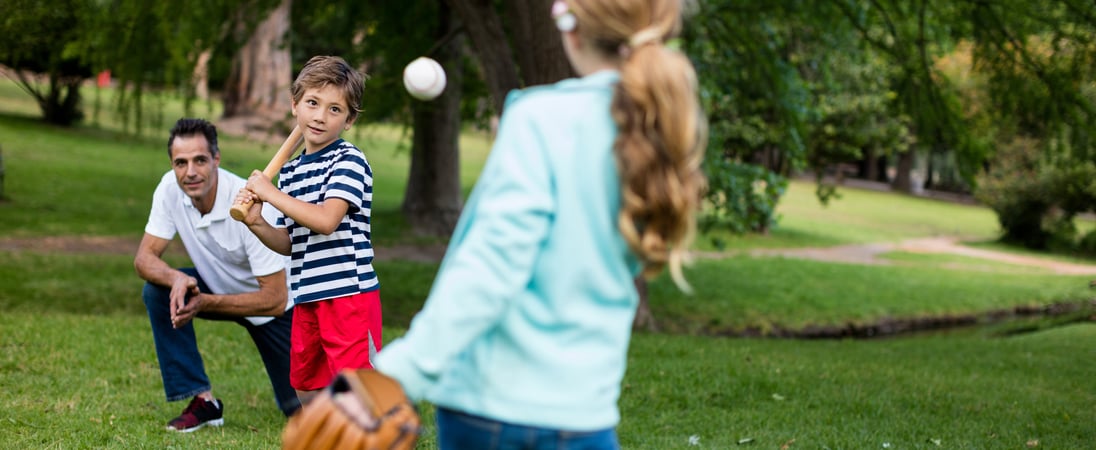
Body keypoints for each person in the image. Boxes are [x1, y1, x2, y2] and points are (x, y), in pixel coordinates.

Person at [373, 0, 707, 448]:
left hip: (492, 413)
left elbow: (493, 264)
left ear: (570, 29)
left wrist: (400, 374)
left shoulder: (540, 119)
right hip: (588, 417)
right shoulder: (655, 128)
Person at [134, 118, 299, 432]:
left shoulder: (248, 203)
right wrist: (176, 279)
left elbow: (275, 299)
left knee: (299, 409)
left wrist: (205, 302)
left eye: (200, 160)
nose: (190, 172)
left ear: (216, 160)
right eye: (180, 163)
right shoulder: (170, 188)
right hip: (216, 286)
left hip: (277, 308)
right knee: (157, 291)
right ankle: (203, 401)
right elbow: (144, 258)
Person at [234, 55, 381, 404]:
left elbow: (327, 220)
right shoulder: (293, 171)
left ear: (349, 119)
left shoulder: (349, 161)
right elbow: (291, 242)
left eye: (335, 109)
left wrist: (271, 194)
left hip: (348, 295)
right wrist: (257, 221)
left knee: (356, 392)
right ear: (295, 104)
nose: (319, 116)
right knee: (307, 387)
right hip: (308, 296)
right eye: (312, 103)